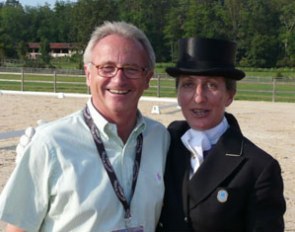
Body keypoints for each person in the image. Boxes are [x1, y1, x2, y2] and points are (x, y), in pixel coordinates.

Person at [0, 21, 170, 232]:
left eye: (132, 69)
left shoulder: (160, 138)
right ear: (88, 74)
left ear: (148, 78)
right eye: (106, 68)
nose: (118, 79)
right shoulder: (49, 143)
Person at [157, 37, 286, 231]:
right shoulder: (164, 144)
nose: (199, 98)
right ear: (178, 93)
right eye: (188, 84)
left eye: (211, 85)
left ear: (230, 95)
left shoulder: (258, 168)